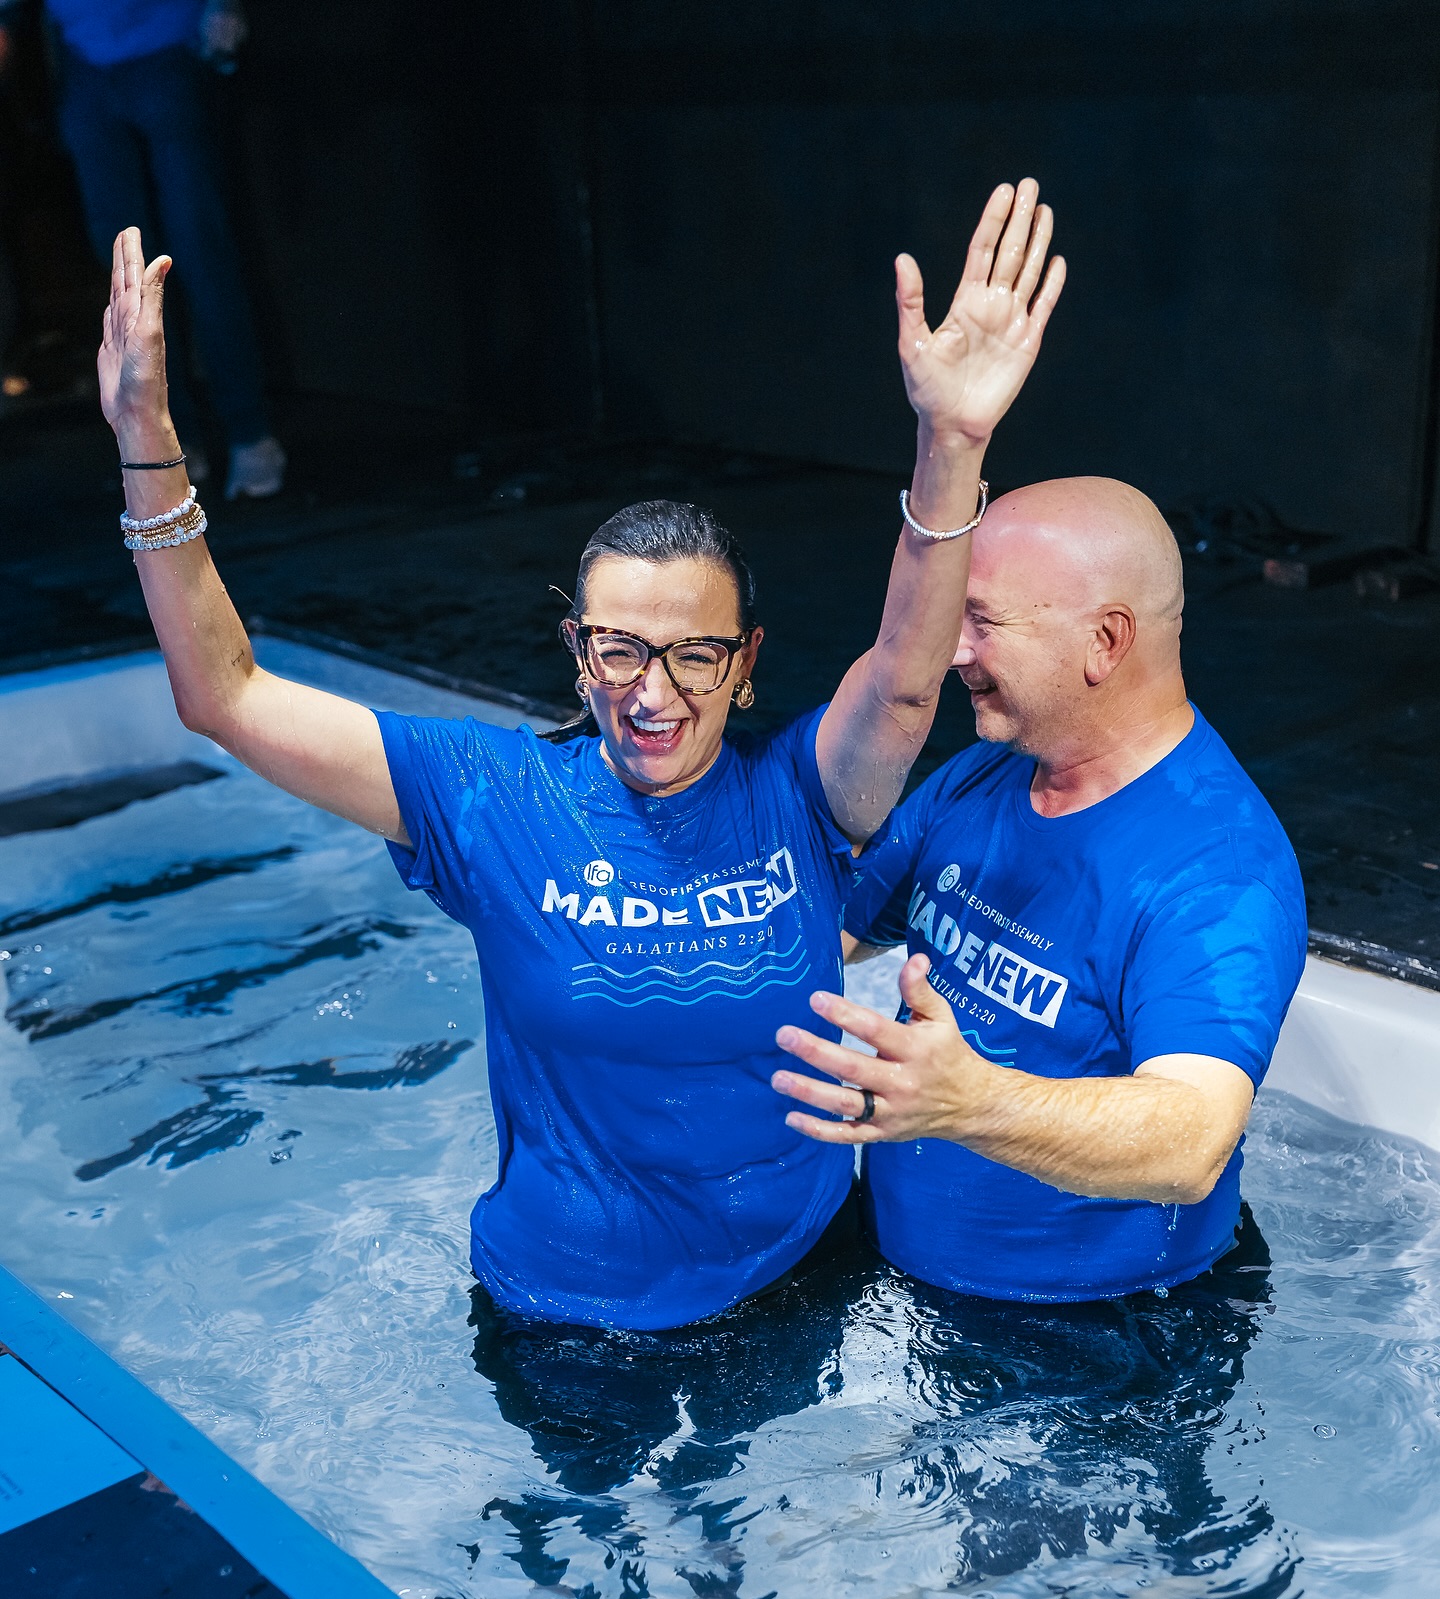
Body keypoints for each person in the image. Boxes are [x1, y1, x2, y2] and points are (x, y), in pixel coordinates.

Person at [97, 180, 1066, 1329]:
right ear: (576, 651)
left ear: (747, 663)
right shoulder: (488, 797)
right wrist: (148, 440)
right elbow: (224, 695)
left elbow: (908, 678)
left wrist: (950, 441)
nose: (651, 695)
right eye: (618, 651)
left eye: (694, 657)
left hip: (807, 1276)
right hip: (571, 1320)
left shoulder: (803, 794)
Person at [771, 477, 1307, 1302]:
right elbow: (830, 927)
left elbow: (1192, 1140)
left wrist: (966, 1099)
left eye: (982, 620)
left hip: (1101, 1344)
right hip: (901, 1275)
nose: (953, 650)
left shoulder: (1216, 867)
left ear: (1106, 640)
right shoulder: (989, 772)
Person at [51, 0, 284, 496]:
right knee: (127, 276)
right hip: (85, 58)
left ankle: (249, 433)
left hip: (167, 47)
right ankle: (170, 444)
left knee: (200, 256)